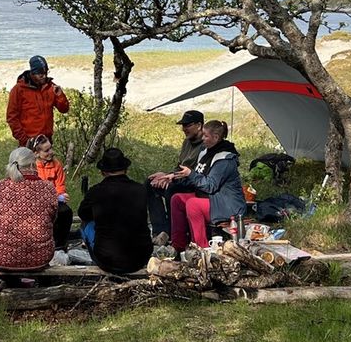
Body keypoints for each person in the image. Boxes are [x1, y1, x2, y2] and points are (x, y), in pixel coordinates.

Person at [167, 120, 246, 251]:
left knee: (193, 204)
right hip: (211, 199)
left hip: (227, 204)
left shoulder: (225, 159)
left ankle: (202, 249)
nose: (202, 138)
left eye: (205, 136)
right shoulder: (206, 152)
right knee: (177, 199)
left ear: (216, 137)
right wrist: (175, 177)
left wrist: (190, 174)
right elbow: (198, 176)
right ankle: (178, 246)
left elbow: (210, 186)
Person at [78, 148, 153, 274]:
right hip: (140, 258)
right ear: (126, 169)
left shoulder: (96, 191)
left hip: (107, 260)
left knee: (85, 225)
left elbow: (83, 214)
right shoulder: (140, 190)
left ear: (103, 172)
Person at [0, 147, 57, 271]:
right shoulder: (48, 188)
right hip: (40, 257)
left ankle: (8, 280)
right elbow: (52, 218)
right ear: (33, 164)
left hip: (2, 258)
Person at [145, 110, 205, 245]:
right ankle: (160, 229)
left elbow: (197, 171)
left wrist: (172, 178)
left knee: (171, 190)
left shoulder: (204, 145)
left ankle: (173, 232)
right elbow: (180, 166)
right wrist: (165, 175)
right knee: (150, 183)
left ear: (199, 125)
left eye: (188, 125)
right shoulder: (187, 143)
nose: (184, 129)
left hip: (193, 181)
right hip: (179, 177)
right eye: (183, 126)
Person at [6, 55, 70, 146]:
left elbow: (64, 109)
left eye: (46, 73)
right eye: (40, 74)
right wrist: (24, 140)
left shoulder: (50, 87)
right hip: (29, 141)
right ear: (32, 73)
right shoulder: (18, 90)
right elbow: (11, 117)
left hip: (46, 140)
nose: (44, 76)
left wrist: (60, 95)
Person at [28, 134, 74, 250]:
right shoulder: (31, 167)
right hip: (35, 201)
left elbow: (60, 185)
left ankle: (60, 246)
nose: (51, 152)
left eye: (51, 148)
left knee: (66, 212)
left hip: (54, 199)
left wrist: (61, 195)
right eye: (46, 150)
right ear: (36, 153)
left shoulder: (56, 165)